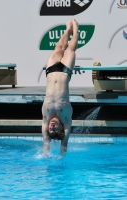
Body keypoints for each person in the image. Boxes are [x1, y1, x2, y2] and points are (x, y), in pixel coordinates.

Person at [42, 19, 78, 157]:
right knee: (70, 49)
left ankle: (67, 30)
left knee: (58, 48)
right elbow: (64, 144)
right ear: (61, 127)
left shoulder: (46, 117)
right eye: (54, 129)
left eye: (50, 129)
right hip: (64, 72)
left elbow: (45, 143)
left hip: (50, 71)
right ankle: (75, 29)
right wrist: (61, 157)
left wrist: (46, 155)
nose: (51, 127)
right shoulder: (66, 117)